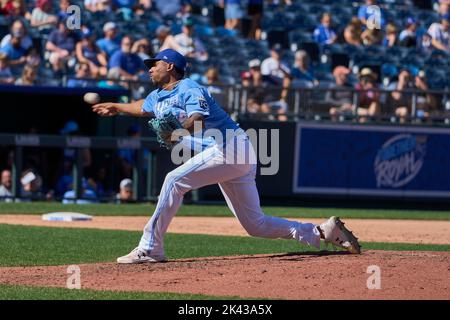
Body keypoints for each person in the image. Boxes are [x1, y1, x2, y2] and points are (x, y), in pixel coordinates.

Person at [91, 48, 361, 264]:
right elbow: (142, 106)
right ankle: (322, 232)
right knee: (255, 225)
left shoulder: (190, 88)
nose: (150, 67)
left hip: (229, 146)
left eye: (155, 63)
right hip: (228, 153)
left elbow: (197, 118)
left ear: (170, 66)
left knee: (174, 180)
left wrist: (178, 130)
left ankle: (150, 248)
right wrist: (117, 106)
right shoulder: (159, 95)